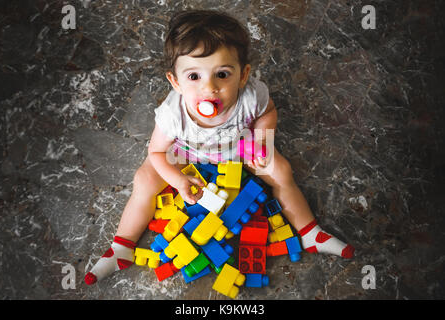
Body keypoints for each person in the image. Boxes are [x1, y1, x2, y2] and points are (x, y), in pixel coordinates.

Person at [85, 9, 354, 285]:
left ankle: (310, 233)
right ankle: (122, 246)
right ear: (175, 82)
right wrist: (177, 180)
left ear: (243, 75)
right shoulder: (172, 114)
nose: (209, 88)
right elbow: (155, 152)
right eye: (194, 77)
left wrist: (261, 139)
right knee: (143, 178)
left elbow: (268, 112)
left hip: (241, 148)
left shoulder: (251, 97)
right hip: (186, 151)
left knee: (282, 171)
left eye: (222, 74)